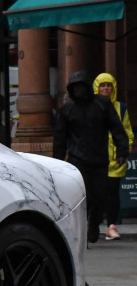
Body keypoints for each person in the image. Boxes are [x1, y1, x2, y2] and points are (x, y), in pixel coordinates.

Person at [53, 71, 129, 244]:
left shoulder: (102, 104)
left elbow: (116, 128)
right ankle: (81, 230)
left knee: (99, 197)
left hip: (99, 159)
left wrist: (122, 151)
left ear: (88, 87)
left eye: (81, 86)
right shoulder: (67, 109)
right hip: (76, 160)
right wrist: (56, 162)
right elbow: (60, 137)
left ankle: (93, 225)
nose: (78, 90)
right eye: (75, 87)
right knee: (79, 197)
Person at [93, 72, 134, 241]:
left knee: (112, 193)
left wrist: (124, 151)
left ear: (113, 88)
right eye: (102, 85)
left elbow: (128, 133)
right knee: (94, 193)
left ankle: (111, 226)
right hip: (95, 157)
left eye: (109, 85)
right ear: (97, 87)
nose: (105, 88)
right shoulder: (90, 106)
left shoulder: (121, 108)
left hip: (115, 159)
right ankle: (92, 224)